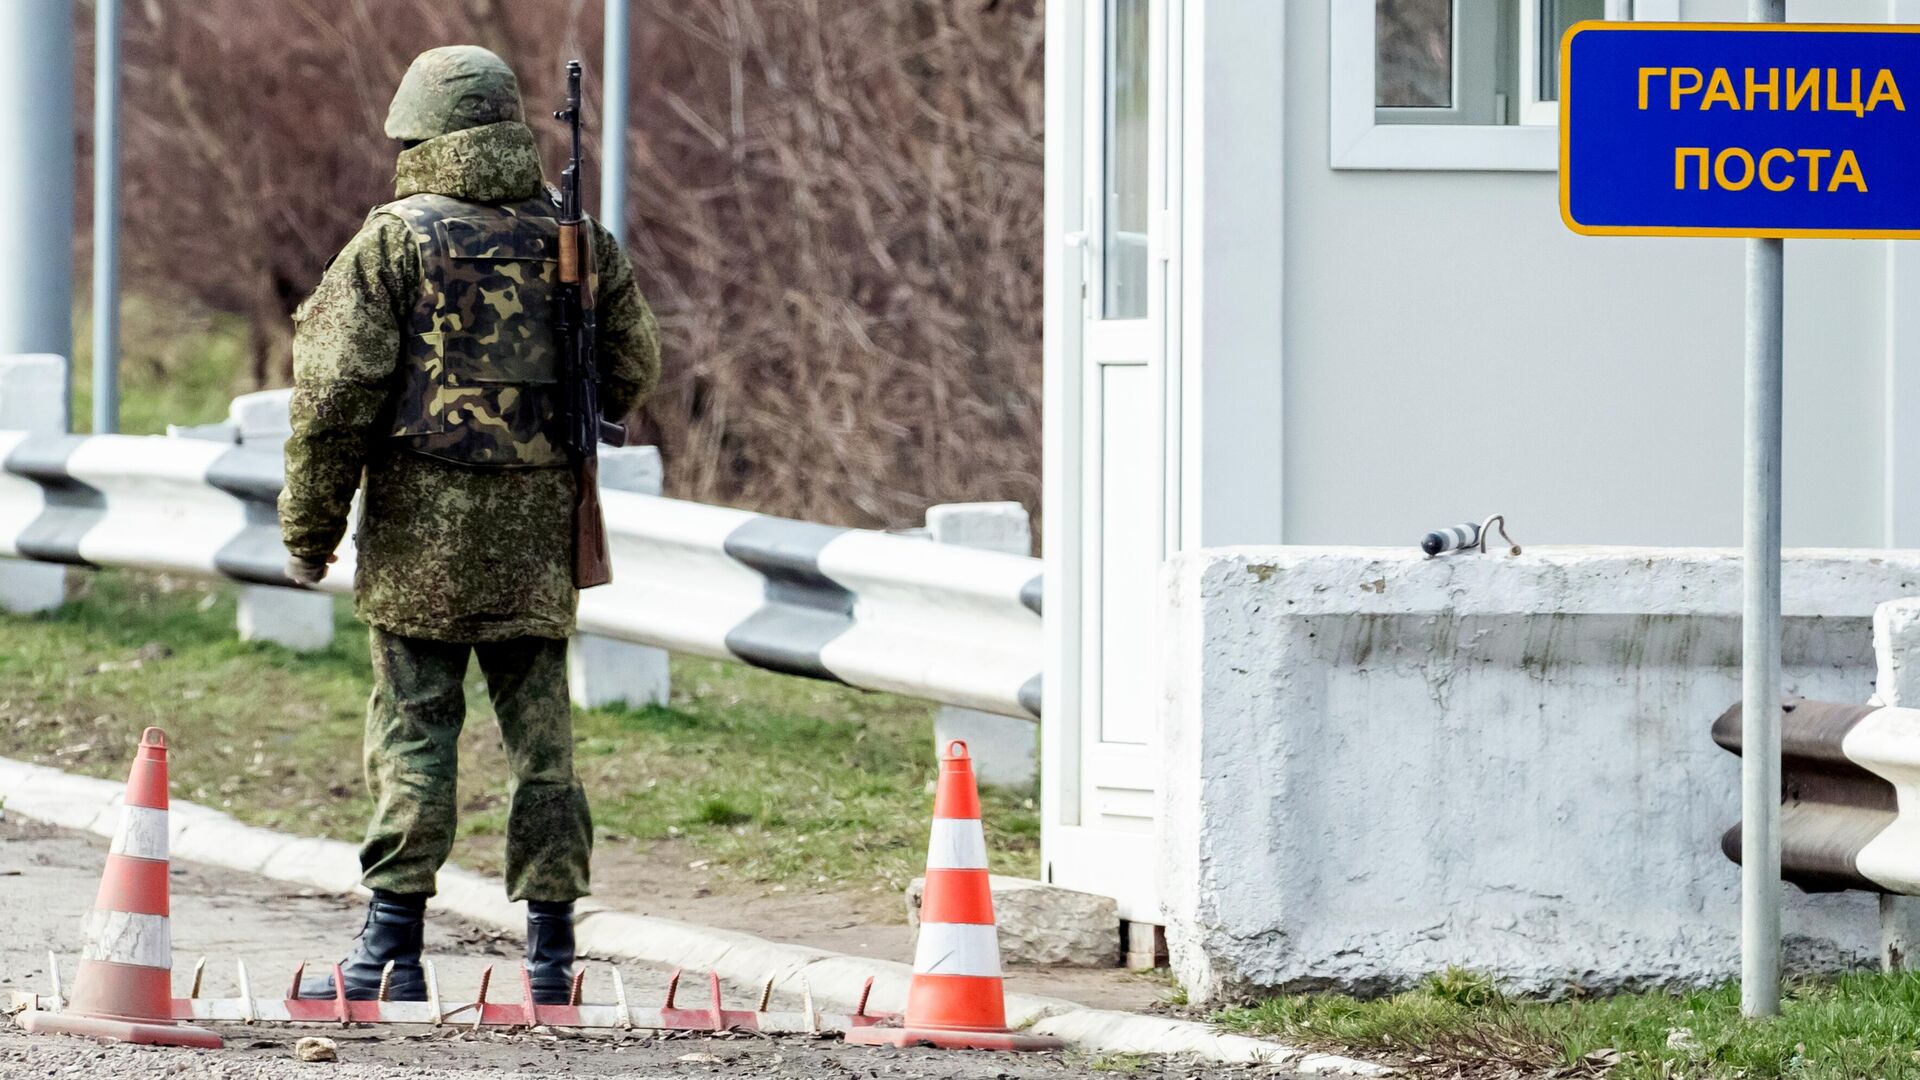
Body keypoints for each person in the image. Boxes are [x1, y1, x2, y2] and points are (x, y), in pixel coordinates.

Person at [278, 44, 660, 1003]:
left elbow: (332, 400)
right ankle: (552, 957)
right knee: (545, 746)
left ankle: (388, 954)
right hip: (538, 538)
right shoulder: (573, 236)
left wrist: (309, 533)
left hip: (419, 541)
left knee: (413, 732)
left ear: (418, 132)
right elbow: (633, 364)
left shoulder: (392, 242)